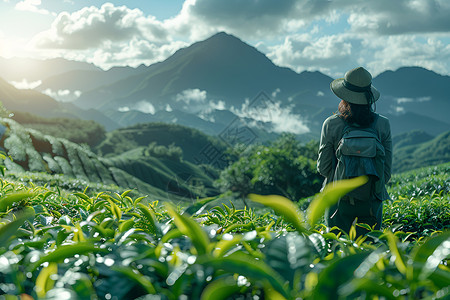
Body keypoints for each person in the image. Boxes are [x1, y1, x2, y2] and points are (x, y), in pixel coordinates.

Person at [317, 67, 392, 235]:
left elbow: (323, 168)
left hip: (338, 201)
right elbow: (386, 172)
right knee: (367, 253)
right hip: (372, 201)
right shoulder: (383, 124)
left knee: (336, 252)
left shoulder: (331, 124)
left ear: (344, 96)